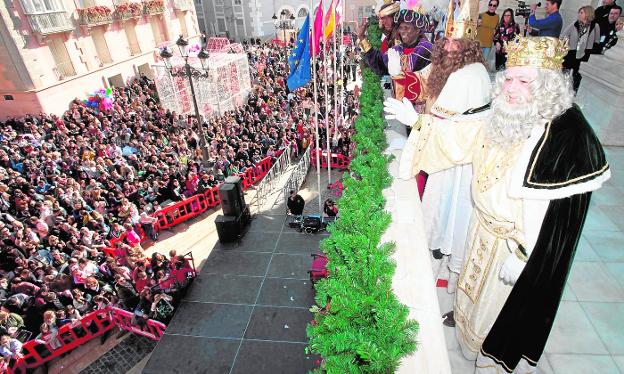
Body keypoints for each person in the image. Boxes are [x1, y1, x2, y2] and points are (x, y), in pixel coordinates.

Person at [384, 36, 610, 372]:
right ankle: (464, 333)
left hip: (509, 243)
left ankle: (487, 358)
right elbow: (464, 134)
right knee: (470, 291)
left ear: (547, 86)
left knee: (494, 307)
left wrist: (523, 255)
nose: (511, 88)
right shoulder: (506, 112)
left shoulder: (561, 135)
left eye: (524, 81)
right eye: (508, 78)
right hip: (481, 227)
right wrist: (419, 122)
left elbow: (546, 211)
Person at [561, 6, 601, 92]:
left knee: (577, 74)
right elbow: (564, 35)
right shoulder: (575, 23)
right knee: (565, 71)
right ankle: (563, 90)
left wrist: (590, 49)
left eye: (581, 12)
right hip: (572, 51)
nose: (579, 14)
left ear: (588, 13)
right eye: (579, 12)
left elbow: (597, 40)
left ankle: (574, 91)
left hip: (585, 54)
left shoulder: (595, 26)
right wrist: (567, 43)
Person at [358, 0, 401, 76]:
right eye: (382, 18)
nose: (383, 22)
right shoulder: (388, 40)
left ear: (396, 17)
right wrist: (362, 37)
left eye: (387, 17)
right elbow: (379, 64)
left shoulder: (403, 37)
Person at [477, 0, 500, 67]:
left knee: (483, 63)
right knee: (476, 62)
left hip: (488, 44)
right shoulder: (481, 15)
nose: (492, 7)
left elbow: (496, 30)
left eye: (494, 5)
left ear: (496, 7)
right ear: (488, 5)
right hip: (479, 43)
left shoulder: (497, 17)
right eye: (490, 4)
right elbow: (475, 27)